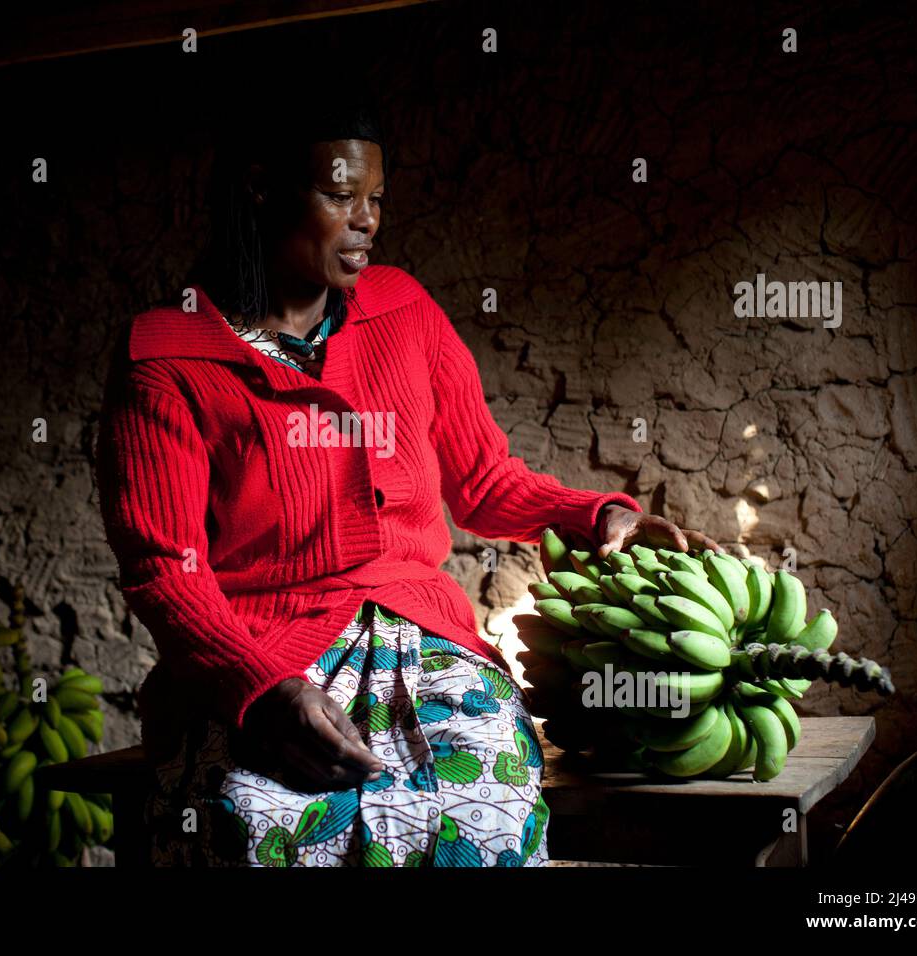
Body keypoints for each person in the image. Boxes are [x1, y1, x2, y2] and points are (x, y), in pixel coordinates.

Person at [95, 95, 723, 867]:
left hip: (426, 647)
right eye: (339, 195)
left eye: (377, 199)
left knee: (482, 816)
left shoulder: (404, 313)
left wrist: (596, 515)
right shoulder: (168, 363)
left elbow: (485, 480)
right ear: (261, 189)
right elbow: (164, 571)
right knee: (253, 825)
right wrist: (262, 691)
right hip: (262, 659)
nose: (367, 220)